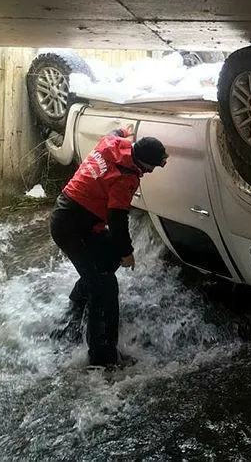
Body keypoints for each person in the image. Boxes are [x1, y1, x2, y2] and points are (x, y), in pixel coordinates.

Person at [49, 125, 168, 367]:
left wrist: (125, 130)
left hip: (75, 217)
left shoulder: (112, 142)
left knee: (107, 259)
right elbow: (117, 220)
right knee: (104, 286)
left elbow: (116, 131)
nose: (148, 173)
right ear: (142, 163)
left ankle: (76, 311)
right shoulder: (125, 178)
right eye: (150, 168)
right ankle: (102, 359)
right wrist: (127, 253)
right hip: (71, 228)